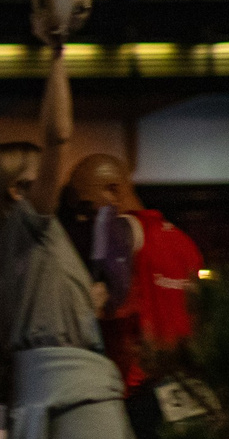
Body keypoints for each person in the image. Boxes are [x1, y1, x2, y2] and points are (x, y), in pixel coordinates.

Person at [0, 51, 138, 439]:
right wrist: (57, 51)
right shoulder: (29, 229)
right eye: (41, 179)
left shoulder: (0, 252)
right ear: (18, 192)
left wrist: (89, 299)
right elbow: (58, 133)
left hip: (42, 391)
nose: (55, 186)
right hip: (77, 395)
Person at [65, 153, 206, 397]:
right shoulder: (185, 244)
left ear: (113, 191)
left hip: (136, 388)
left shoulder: (121, 228)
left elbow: (108, 297)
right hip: (186, 388)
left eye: (87, 209)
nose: (83, 220)